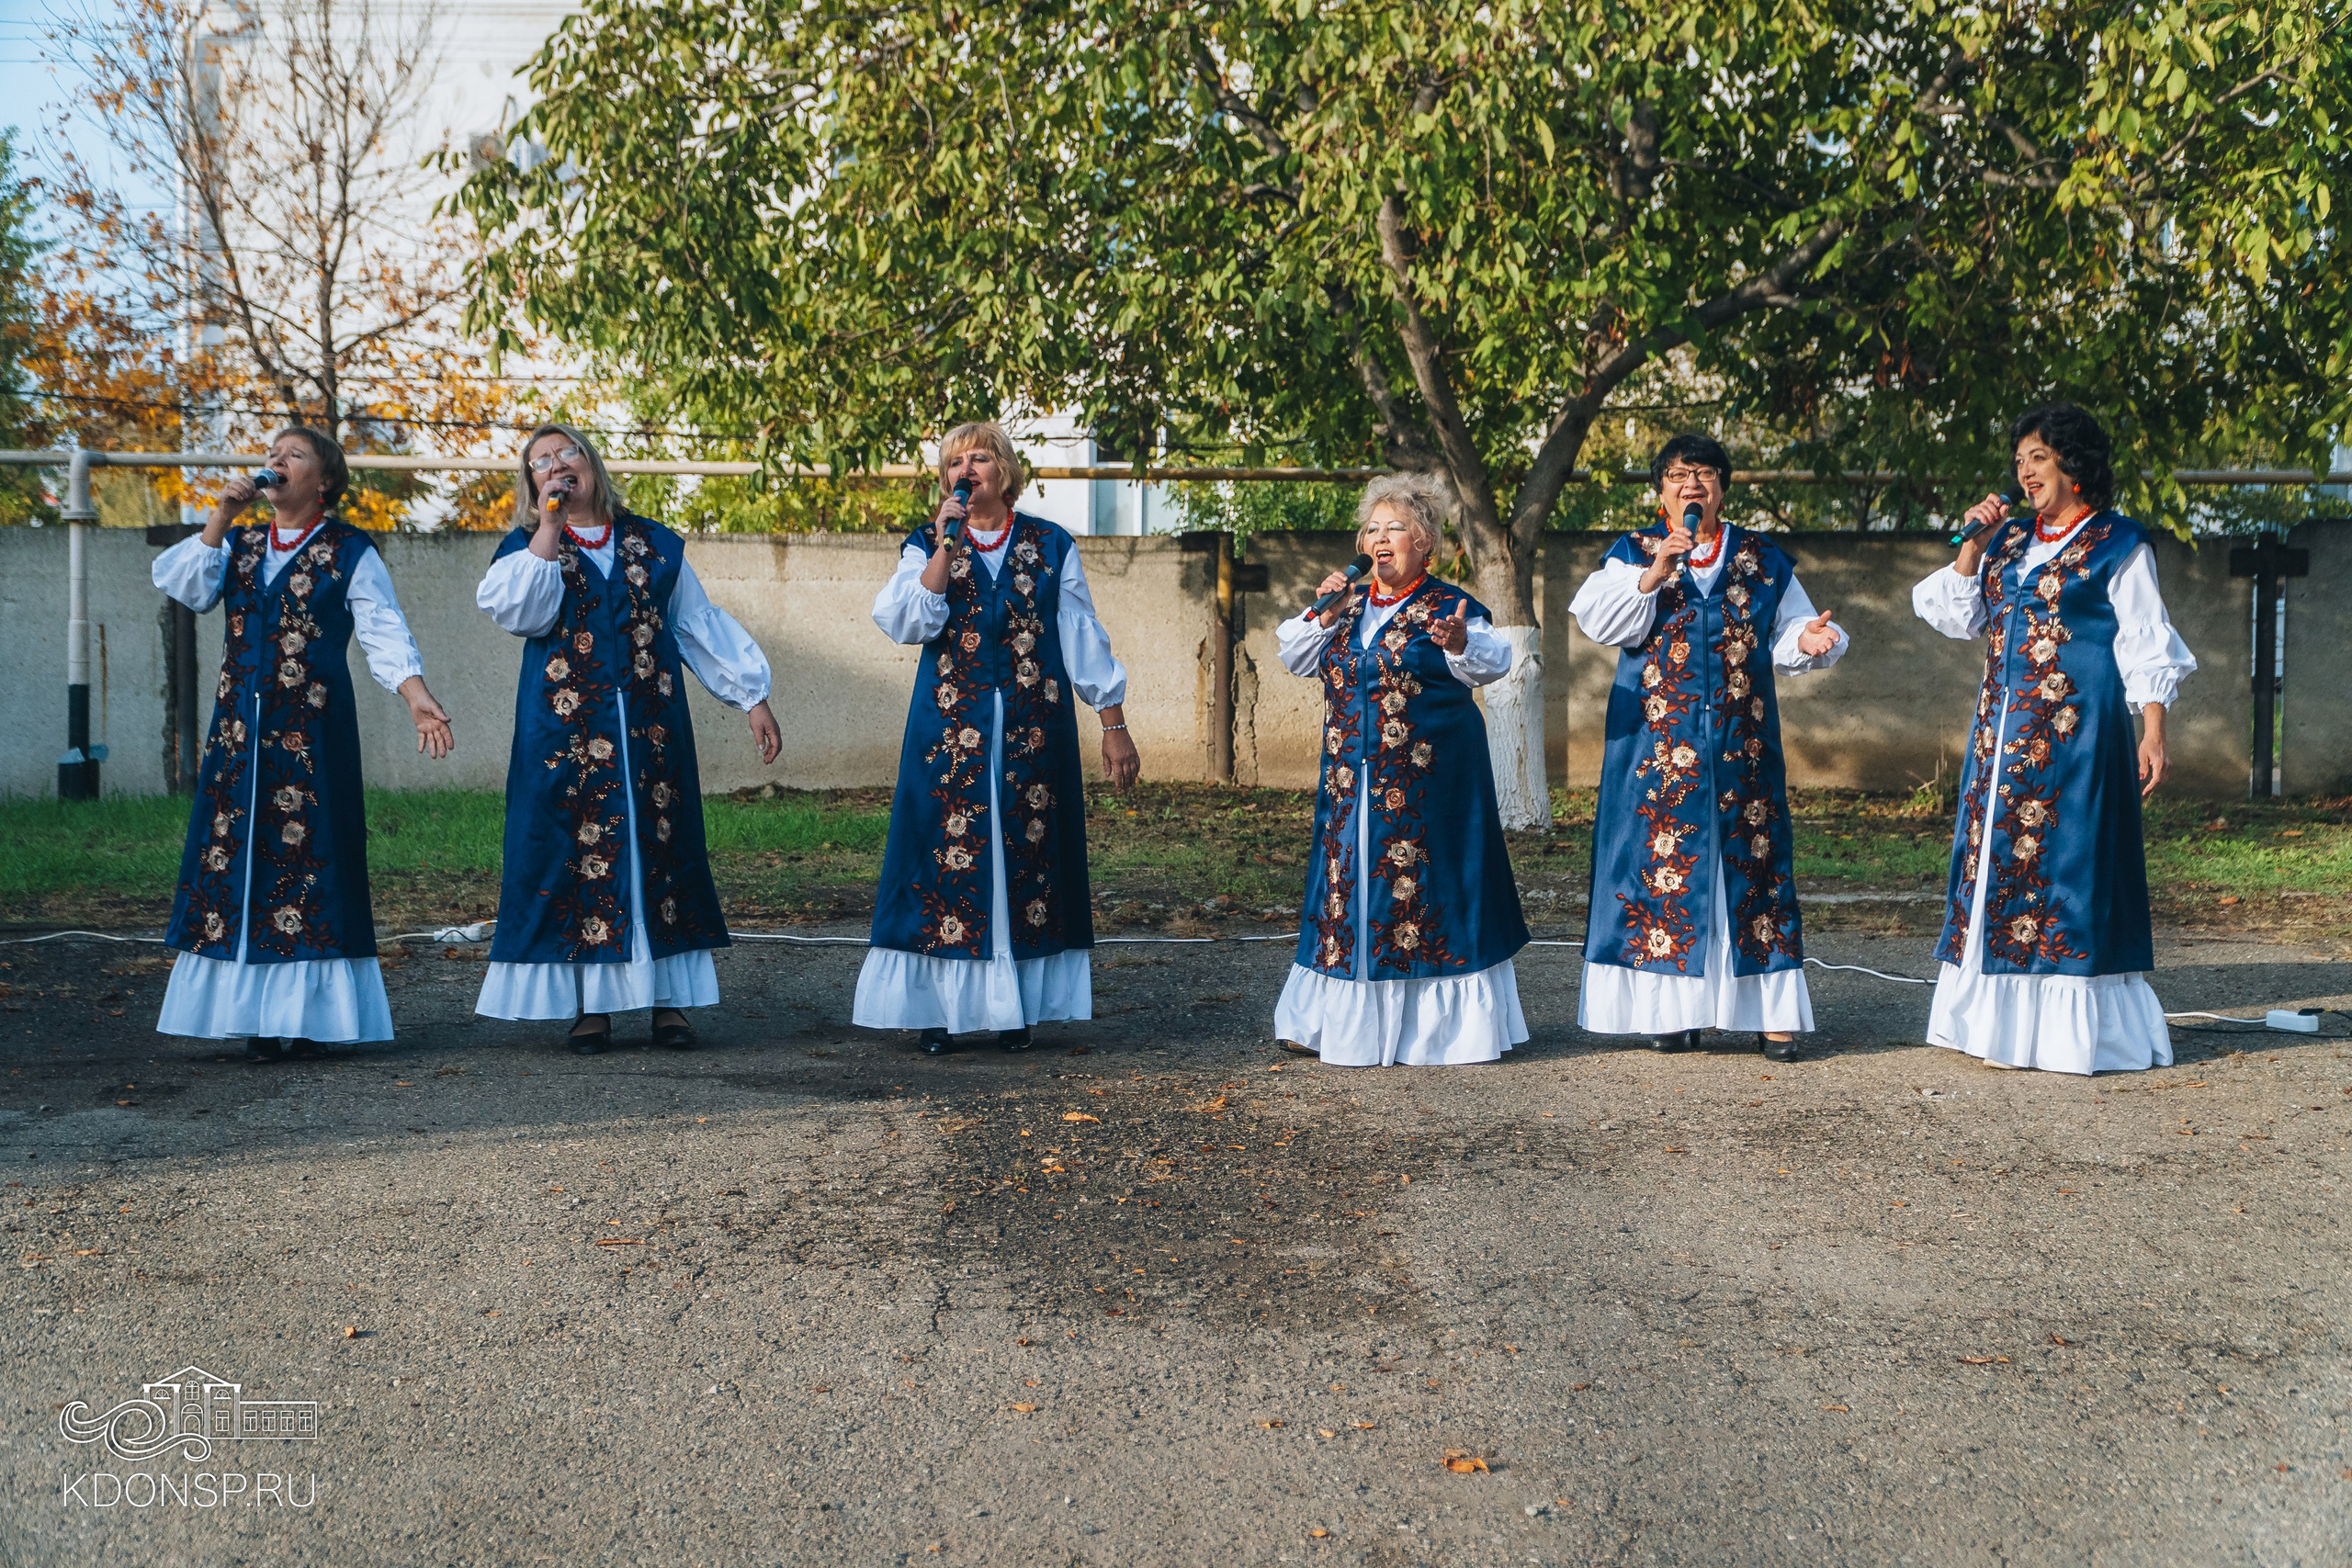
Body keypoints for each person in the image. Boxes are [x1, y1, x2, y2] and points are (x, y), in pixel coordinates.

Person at [473, 423, 782, 1054]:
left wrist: (751, 696)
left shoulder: (654, 543)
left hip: (650, 730)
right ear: (531, 484)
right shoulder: (527, 549)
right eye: (541, 462)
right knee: (575, 860)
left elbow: (695, 622)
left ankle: (668, 1002)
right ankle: (590, 1006)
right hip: (565, 739)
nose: (557, 465)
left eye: (568, 453)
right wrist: (548, 528)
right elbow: (521, 614)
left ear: (592, 464)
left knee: (658, 851)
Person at [153, 426, 455, 1061]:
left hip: (311, 735)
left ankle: (311, 1017)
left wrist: (415, 694)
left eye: (294, 455)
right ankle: (256, 1018)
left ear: (324, 480)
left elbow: (381, 627)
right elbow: (186, 588)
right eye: (272, 454)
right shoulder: (237, 543)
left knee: (311, 862)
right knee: (237, 860)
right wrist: (220, 515)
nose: (276, 462)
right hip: (239, 735)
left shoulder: (349, 549)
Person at [1912, 403, 2196, 1075]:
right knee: (1998, 865)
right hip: (2001, 737)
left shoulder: (2118, 543)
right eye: (2018, 461)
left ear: (2072, 462)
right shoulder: (2007, 541)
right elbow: (1956, 615)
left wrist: (2153, 727)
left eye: (2037, 457)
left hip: (2081, 732)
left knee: (2072, 866)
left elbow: (2145, 638)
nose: (2025, 471)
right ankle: (1999, 1024)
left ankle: (2071, 1032)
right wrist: (1971, 545)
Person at [855, 420, 1140, 1054]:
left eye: (979, 457)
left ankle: (1016, 1009)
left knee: (1024, 860)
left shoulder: (1050, 544)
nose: (968, 468)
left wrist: (1113, 724)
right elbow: (903, 620)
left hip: (1033, 735)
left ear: (1004, 470)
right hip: (948, 737)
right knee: (944, 862)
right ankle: (941, 1012)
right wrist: (942, 551)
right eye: (956, 461)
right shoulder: (928, 544)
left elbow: (1082, 637)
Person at [1569, 434, 1849, 1063]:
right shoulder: (1632, 551)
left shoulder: (1761, 555)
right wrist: (1654, 574)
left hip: (1738, 741)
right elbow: (1598, 618)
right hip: (1656, 744)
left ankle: (1772, 1014)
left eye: (1702, 474)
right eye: (1676, 475)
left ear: (1722, 486)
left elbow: (1792, 627)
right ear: (1659, 490)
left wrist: (1809, 641)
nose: (1690, 484)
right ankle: (1674, 1012)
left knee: (1753, 864)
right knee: (1662, 869)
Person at [1272, 472, 1530, 1067]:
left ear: (1425, 544)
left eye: (1396, 528)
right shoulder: (1346, 606)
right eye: (1372, 528)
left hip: (1429, 790)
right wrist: (1325, 611)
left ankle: (1433, 1031)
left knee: (1422, 899)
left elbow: (1491, 662)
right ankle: (1325, 1020)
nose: (1380, 538)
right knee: (1347, 894)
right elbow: (1293, 653)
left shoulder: (1447, 606)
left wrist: (1460, 641)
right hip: (1351, 786)